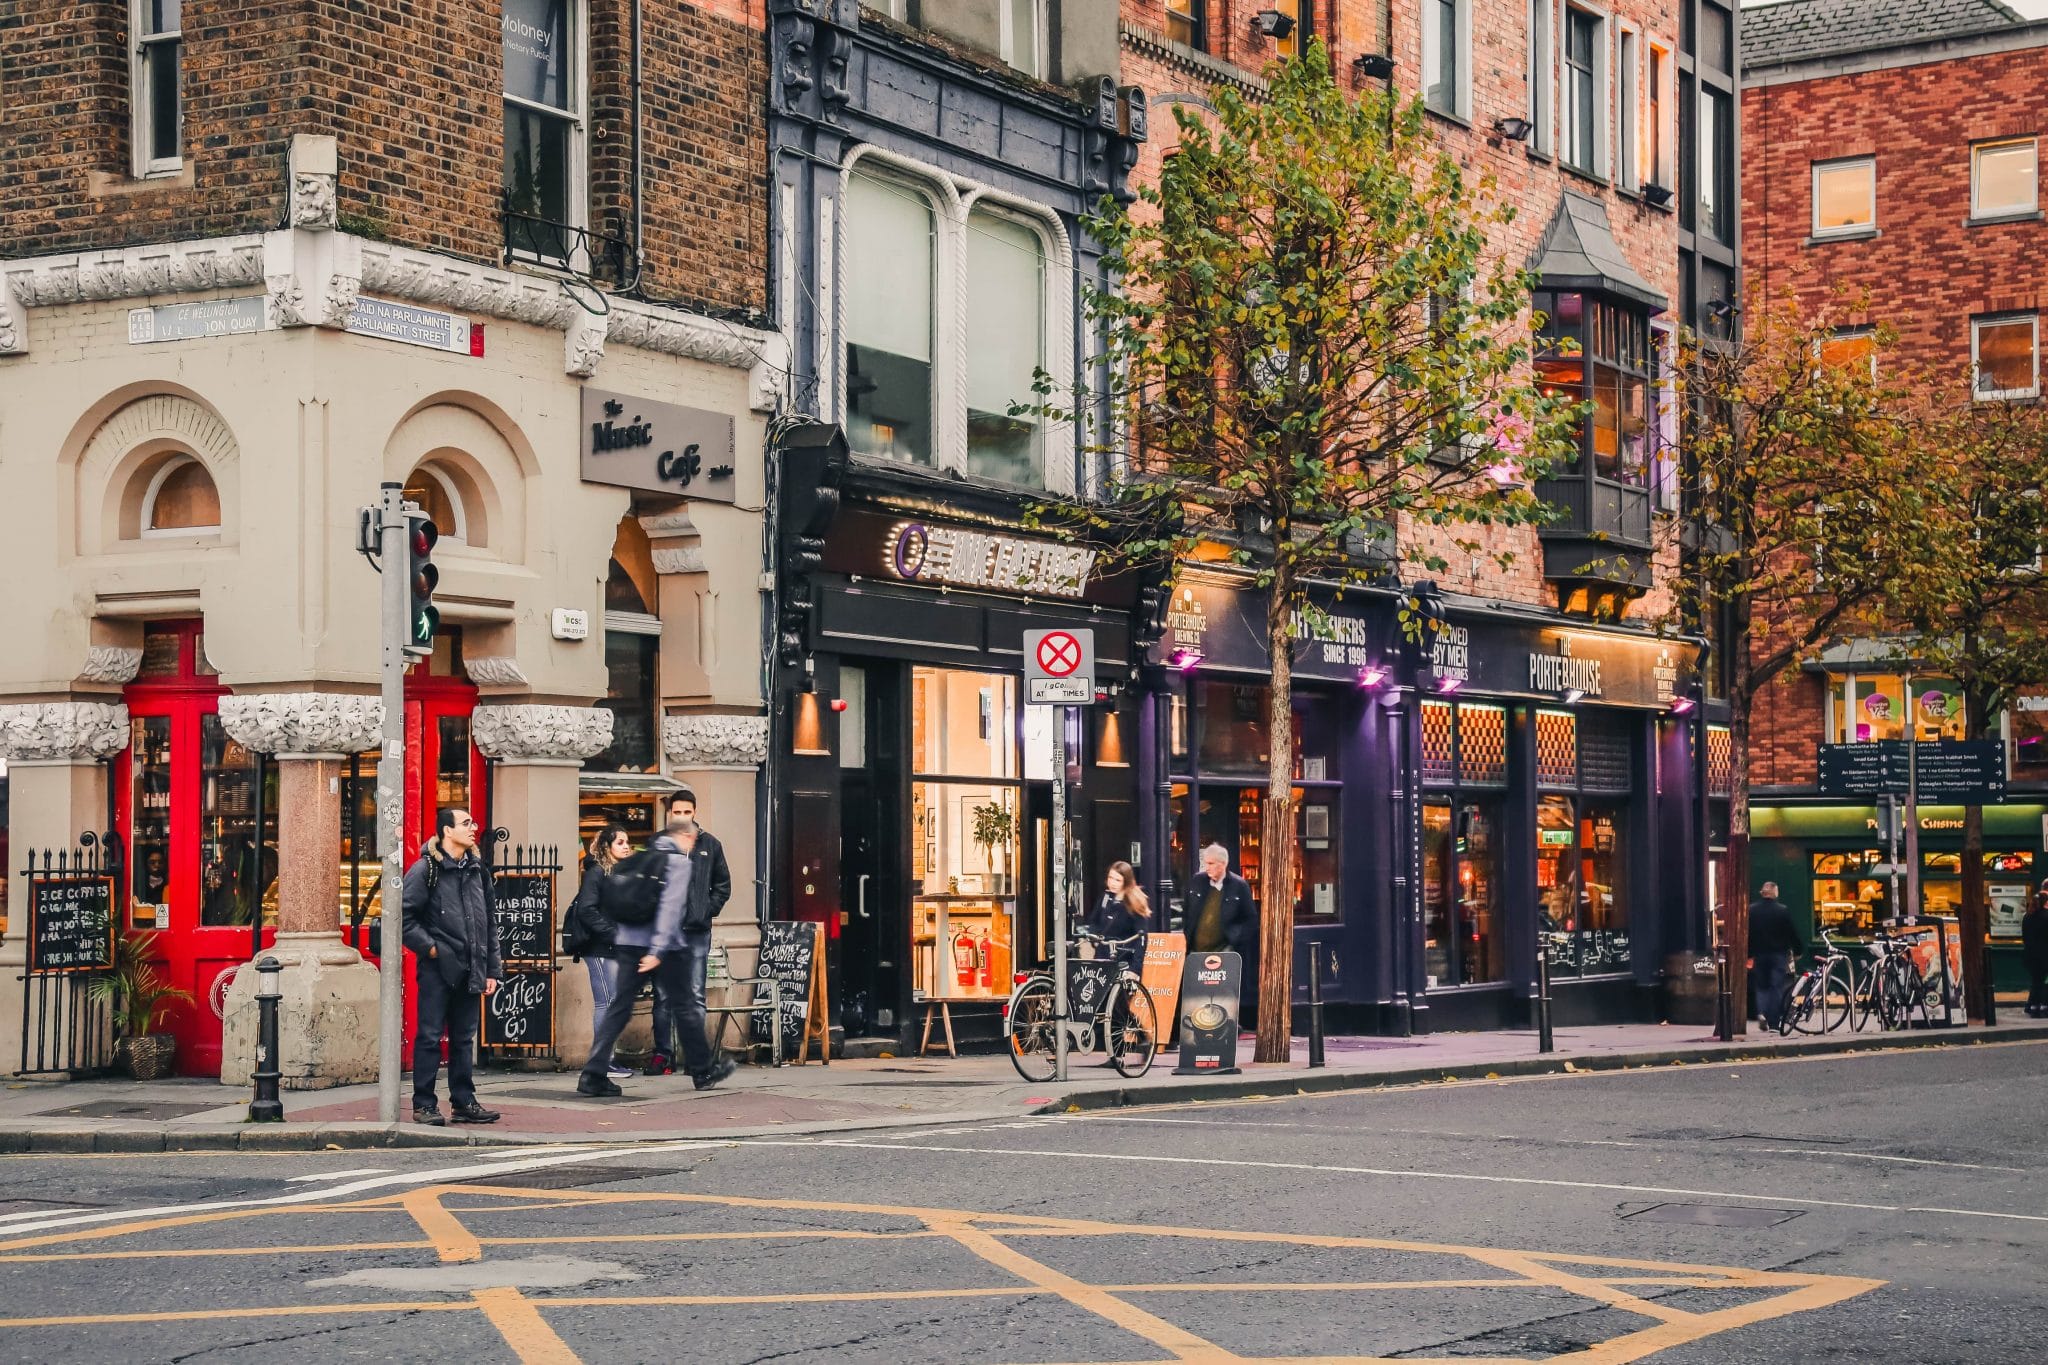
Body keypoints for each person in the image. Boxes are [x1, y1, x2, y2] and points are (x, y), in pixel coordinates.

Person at [579, 814, 735, 1096]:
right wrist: (658, 950)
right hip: (663, 948)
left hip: (628, 944)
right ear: (685, 837)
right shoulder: (676, 862)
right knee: (686, 1007)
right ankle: (702, 1071)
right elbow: (670, 908)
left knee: (618, 1008)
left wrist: (626, 940)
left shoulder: (640, 857)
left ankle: (592, 1074)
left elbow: (623, 902)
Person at [400, 807, 502, 1126]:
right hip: (437, 967)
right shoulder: (425, 868)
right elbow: (404, 919)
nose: (474, 828)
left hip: (472, 966)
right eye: (466, 823)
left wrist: (492, 971)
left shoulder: (477, 870)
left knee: (463, 1038)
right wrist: (432, 949)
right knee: (430, 1036)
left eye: (473, 821)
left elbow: (489, 924)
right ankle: (424, 1104)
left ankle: (463, 1100)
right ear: (447, 831)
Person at [645, 788, 734, 1075]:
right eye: (677, 812)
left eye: (687, 811)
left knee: (695, 995)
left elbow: (723, 884)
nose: (682, 817)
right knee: (663, 996)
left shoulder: (710, 844)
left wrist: (705, 910)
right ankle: (662, 1055)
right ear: (669, 813)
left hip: (696, 931)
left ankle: (695, 1060)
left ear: (694, 812)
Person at [566, 825, 634, 1080]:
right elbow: (586, 909)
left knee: (612, 1002)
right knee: (606, 1002)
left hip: (615, 948)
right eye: (620, 842)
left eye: (627, 842)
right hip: (599, 948)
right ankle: (603, 1061)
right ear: (607, 846)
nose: (626, 846)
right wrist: (613, 933)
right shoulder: (596, 873)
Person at [1747, 880, 1805, 1032]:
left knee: (1761, 986)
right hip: (1778, 954)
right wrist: (1798, 951)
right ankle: (1773, 1022)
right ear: (1774, 892)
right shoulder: (1782, 910)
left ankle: (1761, 1013)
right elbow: (1791, 933)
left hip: (1759, 954)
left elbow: (1748, 934)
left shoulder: (1752, 910)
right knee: (1776, 987)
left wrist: (1748, 954)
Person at [1088, 860, 1151, 972]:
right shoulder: (1105, 898)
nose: (1112, 883)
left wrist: (1135, 969)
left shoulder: (1135, 901)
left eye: (1117, 880)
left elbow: (1141, 937)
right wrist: (1095, 939)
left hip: (1125, 958)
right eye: (1110, 878)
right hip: (1103, 956)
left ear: (1126, 882)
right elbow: (1094, 921)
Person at [2023, 881, 2048, 1018]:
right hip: (2045, 954)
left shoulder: (2027, 916)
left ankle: (2033, 1006)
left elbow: (2025, 936)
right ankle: (2043, 1006)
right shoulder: (2046, 916)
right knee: (2044, 981)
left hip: (2030, 954)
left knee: (2036, 980)